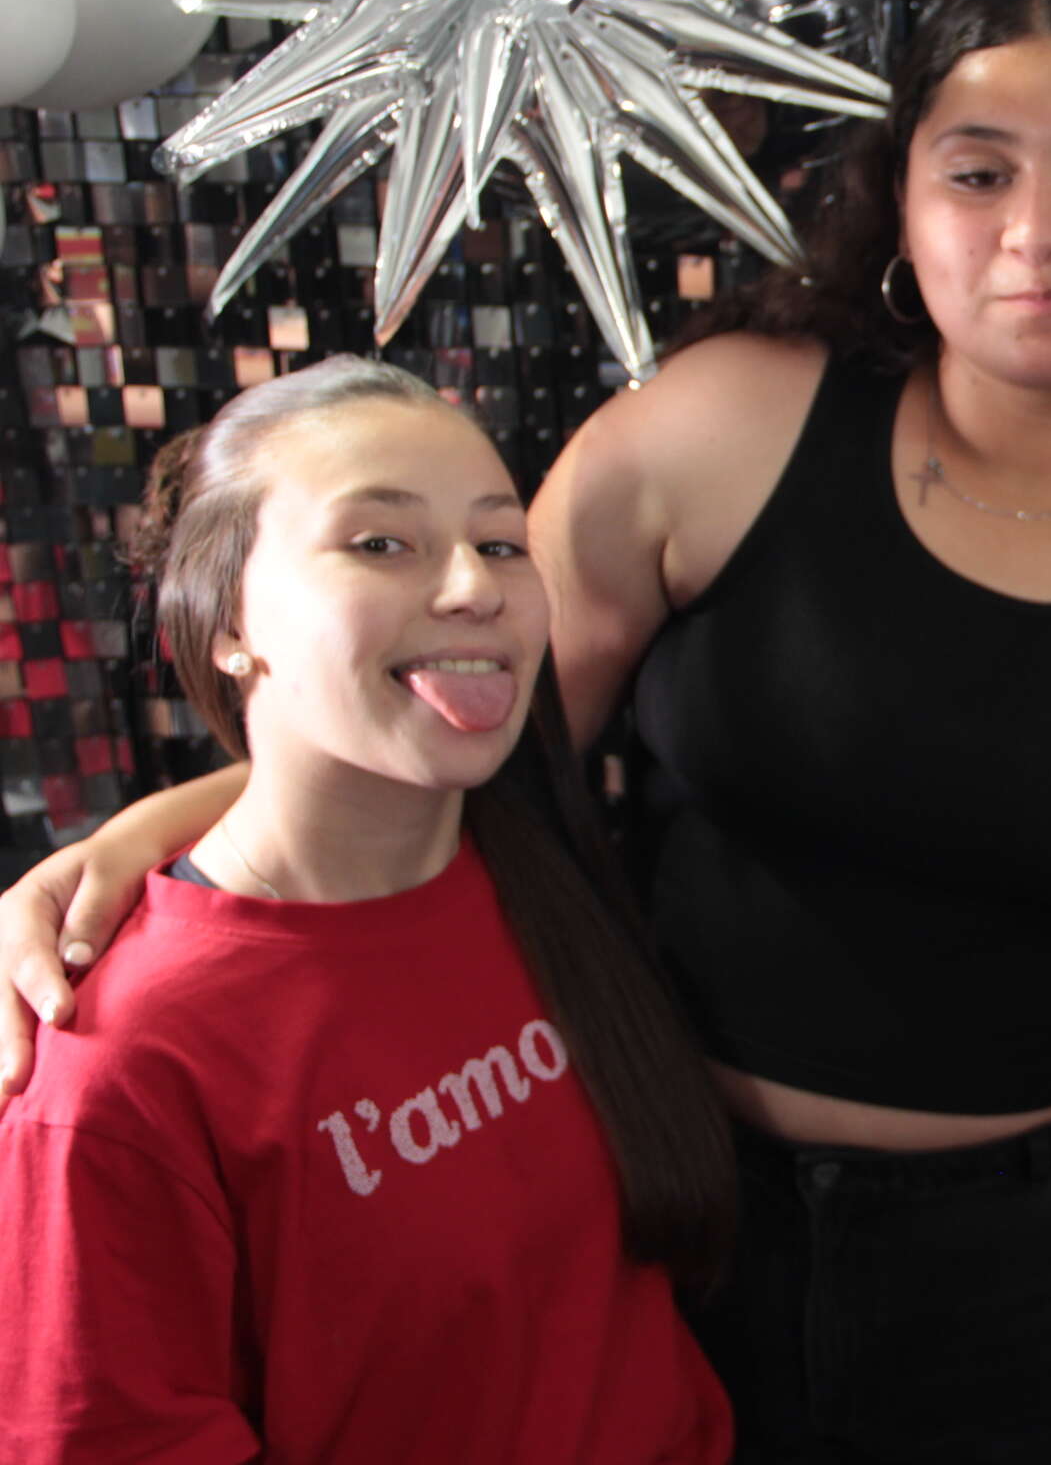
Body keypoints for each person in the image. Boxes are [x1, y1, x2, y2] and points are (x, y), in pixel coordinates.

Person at [0, 0, 1051, 1465]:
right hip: (667, 1226)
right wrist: (152, 850)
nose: (1038, 229)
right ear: (903, 205)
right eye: (978, 172)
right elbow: (448, 698)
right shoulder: (726, 429)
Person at [0, 356, 736, 1463]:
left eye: (501, 543)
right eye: (381, 543)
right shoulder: (122, 1065)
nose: (473, 586)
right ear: (226, 622)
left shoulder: (535, 864)